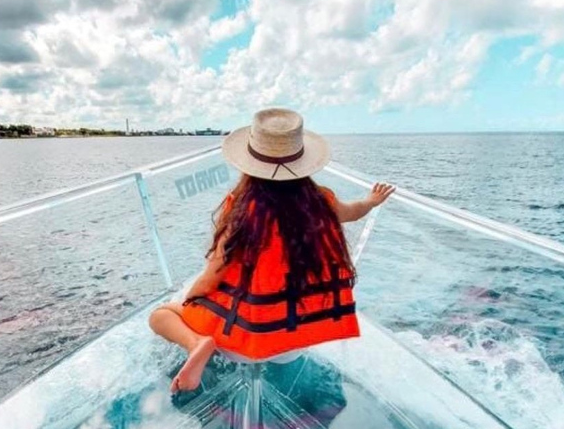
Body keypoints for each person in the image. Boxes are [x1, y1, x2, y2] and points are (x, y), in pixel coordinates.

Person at [149, 108, 395, 393]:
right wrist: (372, 200)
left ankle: (197, 345)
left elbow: (213, 275)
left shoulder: (242, 211)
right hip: (296, 340)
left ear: (250, 163)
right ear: (301, 162)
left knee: (161, 315)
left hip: (243, 342)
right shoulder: (321, 203)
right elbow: (354, 211)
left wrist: (189, 299)